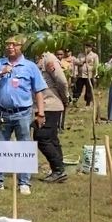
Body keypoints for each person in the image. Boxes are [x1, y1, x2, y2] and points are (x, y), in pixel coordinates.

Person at [0, 35, 47, 194]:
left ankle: (24, 183)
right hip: (2, 113)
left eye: (14, 44)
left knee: (24, 146)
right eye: (7, 44)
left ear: (21, 47)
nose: (10, 47)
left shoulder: (30, 66)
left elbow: (38, 90)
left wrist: (41, 113)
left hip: (23, 113)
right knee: (0, 146)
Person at [35, 48, 69, 182]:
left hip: (50, 104)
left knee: (42, 137)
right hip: (41, 104)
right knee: (52, 138)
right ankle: (59, 169)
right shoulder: (35, 59)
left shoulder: (48, 58)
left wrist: (65, 98)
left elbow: (62, 81)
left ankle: (58, 169)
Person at [71, 43, 99, 108]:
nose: (86, 49)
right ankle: (74, 101)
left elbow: (96, 65)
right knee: (77, 89)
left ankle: (88, 103)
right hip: (81, 75)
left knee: (89, 90)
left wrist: (95, 75)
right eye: (85, 47)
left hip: (89, 75)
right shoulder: (80, 55)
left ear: (91, 48)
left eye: (88, 47)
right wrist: (82, 61)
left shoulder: (94, 55)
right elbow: (76, 62)